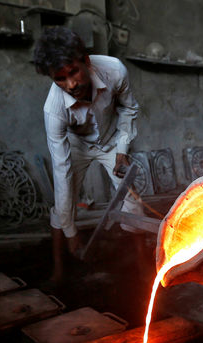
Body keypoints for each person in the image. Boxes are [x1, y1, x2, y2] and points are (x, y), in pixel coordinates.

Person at [33, 26, 144, 285]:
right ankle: (59, 271)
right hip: (77, 144)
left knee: (133, 200)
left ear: (86, 60)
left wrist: (122, 151)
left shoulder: (115, 70)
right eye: (60, 79)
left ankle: (144, 269)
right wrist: (72, 231)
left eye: (74, 72)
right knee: (63, 204)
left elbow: (129, 109)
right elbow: (61, 171)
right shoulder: (54, 110)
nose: (71, 85)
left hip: (113, 139)